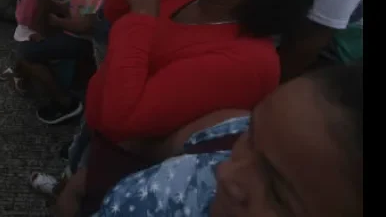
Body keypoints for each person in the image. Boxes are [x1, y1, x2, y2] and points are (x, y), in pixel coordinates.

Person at [63, 0, 333, 215]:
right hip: (99, 133)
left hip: (131, 174)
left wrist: (145, 14)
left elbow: (123, 119)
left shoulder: (248, 62)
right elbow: (116, 13)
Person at [96, 63, 363, 217]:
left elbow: (120, 114)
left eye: (277, 195)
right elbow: (154, 151)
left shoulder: (247, 64)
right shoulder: (228, 127)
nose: (224, 173)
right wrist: (94, 177)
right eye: (250, 137)